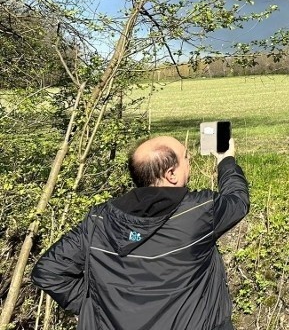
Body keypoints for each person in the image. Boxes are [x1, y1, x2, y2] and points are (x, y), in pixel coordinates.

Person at [32, 134, 249, 330]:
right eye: (186, 158)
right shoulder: (198, 212)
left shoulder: (99, 221)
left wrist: (96, 307)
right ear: (171, 174)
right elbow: (237, 201)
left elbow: (49, 271)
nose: (189, 163)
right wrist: (226, 161)